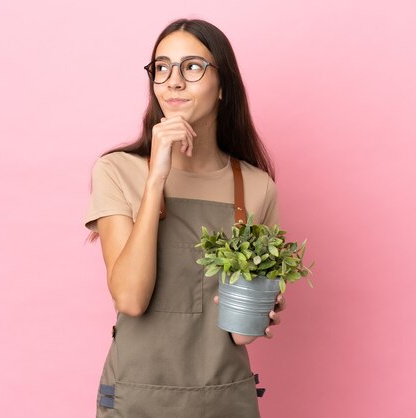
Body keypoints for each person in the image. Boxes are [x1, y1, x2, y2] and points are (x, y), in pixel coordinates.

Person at [85, 18, 286, 418]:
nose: (173, 81)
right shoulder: (117, 170)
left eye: (192, 67)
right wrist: (156, 177)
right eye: (162, 68)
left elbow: (240, 334)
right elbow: (130, 298)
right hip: (136, 400)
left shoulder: (256, 187)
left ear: (224, 84)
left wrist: (263, 306)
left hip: (225, 400)